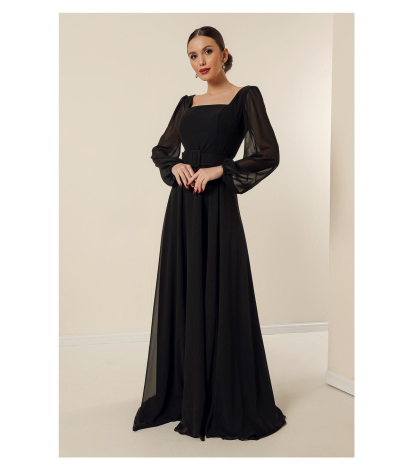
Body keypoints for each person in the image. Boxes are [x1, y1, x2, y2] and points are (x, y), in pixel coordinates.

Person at [132, 26, 286, 441]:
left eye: (208, 51)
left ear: (224, 54)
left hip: (217, 206)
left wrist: (221, 169)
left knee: (220, 290)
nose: (201, 61)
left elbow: (267, 153)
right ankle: (186, 392)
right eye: (193, 55)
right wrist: (176, 165)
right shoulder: (187, 103)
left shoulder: (246, 97)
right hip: (183, 207)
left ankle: (221, 396)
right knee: (184, 291)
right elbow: (162, 150)